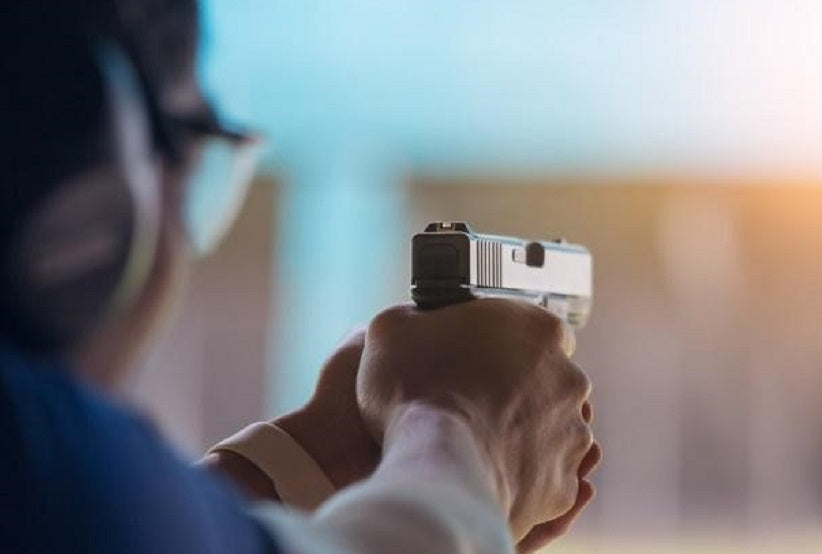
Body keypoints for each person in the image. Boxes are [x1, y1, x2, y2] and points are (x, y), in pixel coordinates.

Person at [0, 1, 600, 553]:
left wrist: (310, 460)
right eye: (194, 155)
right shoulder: (39, 452)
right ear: (90, 194)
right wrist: (462, 436)